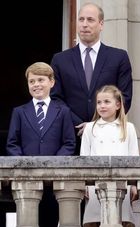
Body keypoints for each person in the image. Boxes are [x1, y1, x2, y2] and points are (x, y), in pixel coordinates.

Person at [50, 2, 133, 155]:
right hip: (71, 138)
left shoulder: (118, 57)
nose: (84, 25)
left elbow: (124, 97)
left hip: (108, 140)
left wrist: (98, 125)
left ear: (101, 24)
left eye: (90, 20)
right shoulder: (60, 60)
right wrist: (80, 125)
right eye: (81, 20)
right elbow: (55, 98)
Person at [6, 62, 76, 227]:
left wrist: (53, 164)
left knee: (50, 220)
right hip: (26, 180)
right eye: (32, 81)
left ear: (52, 82)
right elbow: (12, 143)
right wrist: (24, 163)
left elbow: (69, 143)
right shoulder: (19, 112)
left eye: (41, 80)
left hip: (54, 181)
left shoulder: (63, 111)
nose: (36, 84)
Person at [80, 85, 139, 227]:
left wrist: (133, 184)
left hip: (122, 184)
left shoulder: (128, 127)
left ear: (118, 104)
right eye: (99, 102)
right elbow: (84, 159)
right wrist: (85, 184)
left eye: (107, 102)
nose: (102, 106)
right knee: (95, 220)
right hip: (95, 185)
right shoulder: (90, 128)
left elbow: (134, 157)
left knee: (120, 220)